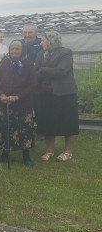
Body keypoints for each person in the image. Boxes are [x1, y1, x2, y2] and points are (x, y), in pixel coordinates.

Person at [0, 41, 37, 166]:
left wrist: (18, 96)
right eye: (12, 49)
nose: (14, 51)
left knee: (24, 130)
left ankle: (26, 156)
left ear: (23, 50)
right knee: (5, 128)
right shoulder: (4, 63)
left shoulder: (29, 65)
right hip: (5, 103)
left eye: (17, 49)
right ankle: (4, 154)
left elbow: (32, 85)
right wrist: (1, 94)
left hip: (23, 104)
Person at [35, 30, 78, 162]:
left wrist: (42, 70)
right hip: (46, 93)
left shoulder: (66, 52)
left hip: (64, 93)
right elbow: (35, 71)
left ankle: (67, 152)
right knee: (48, 122)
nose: (41, 43)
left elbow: (61, 70)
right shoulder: (40, 54)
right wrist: (40, 71)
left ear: (52, 41)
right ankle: (49, 150)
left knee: (68, 122)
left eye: (43, 40)